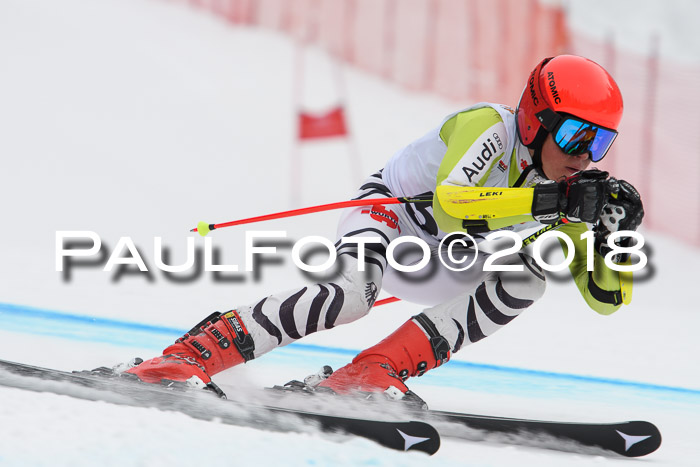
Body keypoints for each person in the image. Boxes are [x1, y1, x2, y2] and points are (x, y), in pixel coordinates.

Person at [124, 55, 644, 402]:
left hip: (446, 257)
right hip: (390, 219)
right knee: (350, 297)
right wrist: (556, 200)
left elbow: (606, 300)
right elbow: (450, 205)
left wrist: (613, 238)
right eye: (578, 134)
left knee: (528, 277)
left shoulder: (572, 193)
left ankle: (369, 373)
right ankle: (187, 357)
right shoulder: (490, 126)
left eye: (601, 143)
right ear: (536, 118)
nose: (584, 155)